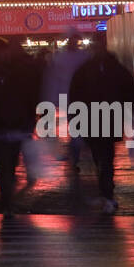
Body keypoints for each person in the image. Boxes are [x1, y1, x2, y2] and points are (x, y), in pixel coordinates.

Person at [68, 31, 134, 214]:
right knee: (107, 157)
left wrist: (74, 119)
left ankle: (105, 189)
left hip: (90, 119)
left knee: (98, 155)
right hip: (110, 118)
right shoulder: (117, 69)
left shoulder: (84, 70)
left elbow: (74, 96)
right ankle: (107, 190)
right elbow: (129, 92)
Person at [0, 37, 42, 215]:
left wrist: (30, 119)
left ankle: (7, 197)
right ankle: (6, 199)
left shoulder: (16, 71)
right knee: (4, 164)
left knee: (10, 163)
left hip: (15, 125)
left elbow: (29, 96)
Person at [42, 32, 88, 172]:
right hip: (77, 98)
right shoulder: (83, 57)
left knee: (75, 127)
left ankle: (75, 153)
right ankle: (75, 153)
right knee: (77, 128)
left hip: (69, 98)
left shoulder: (62, 58)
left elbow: (53, 80)